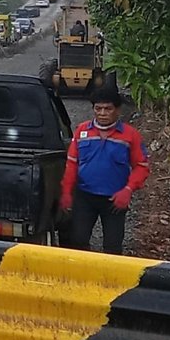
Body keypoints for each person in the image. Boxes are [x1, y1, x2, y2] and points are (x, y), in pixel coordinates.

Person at [61, 88, 149, 254]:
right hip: (85, 197)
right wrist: (66, 192)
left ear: (117, 110)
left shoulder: (131, 136)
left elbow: (142, 167)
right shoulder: (82, 131)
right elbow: (72, 164)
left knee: (113, 247)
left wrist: (128, 190)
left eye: (107, 109)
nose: (102, 113)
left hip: (114, 200)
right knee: (77, 241)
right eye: (98, 109)